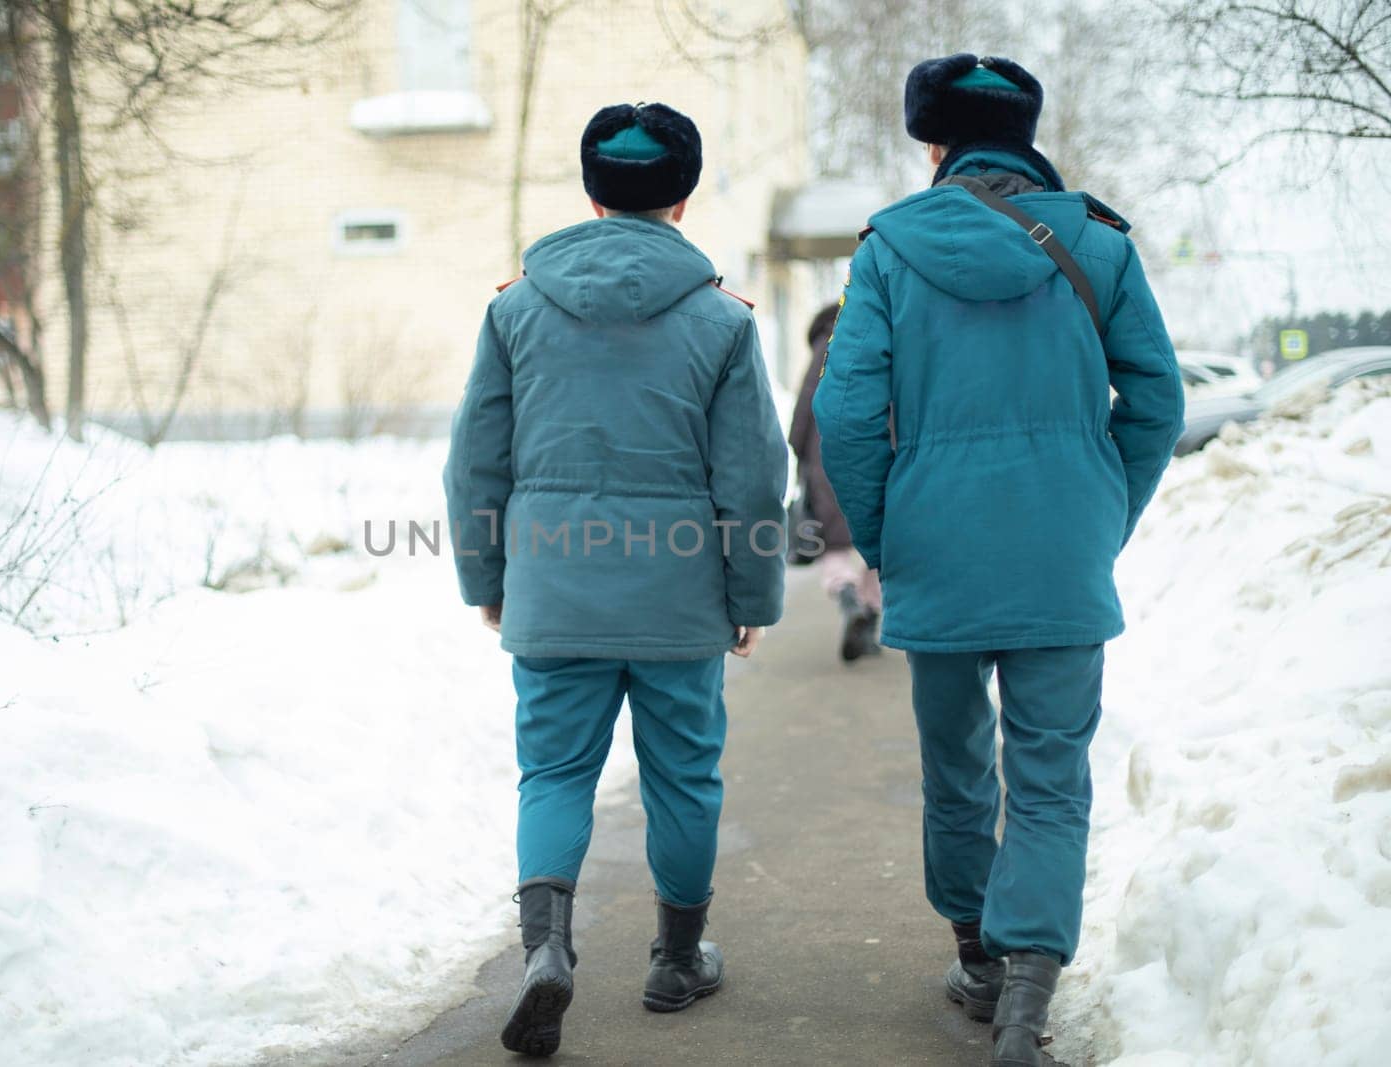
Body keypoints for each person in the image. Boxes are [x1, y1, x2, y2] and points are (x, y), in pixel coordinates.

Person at [812, 55, 1184, 1066]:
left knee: (956, 761)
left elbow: (843, 412)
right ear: (1023, 135)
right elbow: (1156, 399)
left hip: (937, 541)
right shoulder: (1098, 244)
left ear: (932, 143)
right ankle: (1028, 992)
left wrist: (886, 535)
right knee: (1052, 775)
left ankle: (977, 952)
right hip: (1062, 543)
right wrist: (1103, 512)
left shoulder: (887, 248)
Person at [443, 101, 786, 1057]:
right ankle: (678, 959)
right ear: (684, 196)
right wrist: (751, 594)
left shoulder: (515, 308)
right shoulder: (721, 318)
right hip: (679, 595)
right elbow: (753, 474)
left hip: (553, 587)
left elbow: (476, 458)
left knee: (553, 771)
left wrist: (488, 576)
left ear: (592, 191)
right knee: (685, 775)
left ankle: (546, 952)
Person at [789, 302, 881, 662]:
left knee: (835, 544)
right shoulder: (883, 334)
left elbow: (805, 405)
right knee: (879, 546)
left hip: (826, 454)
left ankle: (846, 597)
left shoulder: (825, 345)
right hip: (879, 450)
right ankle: (870, 615)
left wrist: (799, 451)